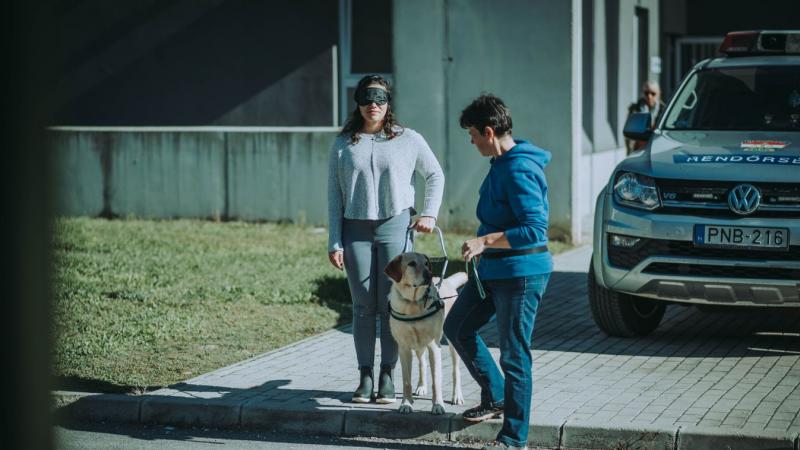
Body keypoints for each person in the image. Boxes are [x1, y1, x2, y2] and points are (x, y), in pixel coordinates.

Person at [327, 74, 445, 404]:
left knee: (392, 305)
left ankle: (388, 374)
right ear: (357, 102)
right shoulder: (344, 143)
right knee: (364, 306)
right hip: (355, 231)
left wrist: (429, 213)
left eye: (379, 98)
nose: (373, 105)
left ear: (389, 102)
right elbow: (334, 195)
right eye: (367, 98)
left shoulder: (408, 140)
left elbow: (435, 174)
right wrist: (334, 240)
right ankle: (365, 376)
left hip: (396, 227)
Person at [443, 94, 552, 450]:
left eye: (472, 134)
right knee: (457, 326)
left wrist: (485, 241)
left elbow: (535, 229)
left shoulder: (520, 167)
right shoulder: (501, 162)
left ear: (489, 132)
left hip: (521, 273)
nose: (471, 141)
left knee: (514, 354)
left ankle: (514, 438)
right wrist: (485, 247)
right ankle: (498, 396)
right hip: (494, 271)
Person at [626, 80, 666, 153]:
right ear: (642, 93)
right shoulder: (634, 109)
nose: (649, 96)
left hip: (657, 151)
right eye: (646, 93)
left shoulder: (664, 111)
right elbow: (629, 135)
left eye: (653, 94)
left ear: (659, 94)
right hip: (637, 151)